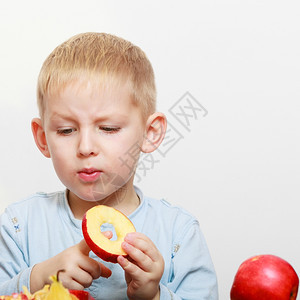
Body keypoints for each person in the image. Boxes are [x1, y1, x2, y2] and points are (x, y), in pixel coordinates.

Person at [0, 32, 218, 300]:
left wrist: (154, 295)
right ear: (43, 138)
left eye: (108, 128)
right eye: (66, 130)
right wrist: (36, 278)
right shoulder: (18, 226)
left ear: (150, 133)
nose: (85, 147)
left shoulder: (178, 233)